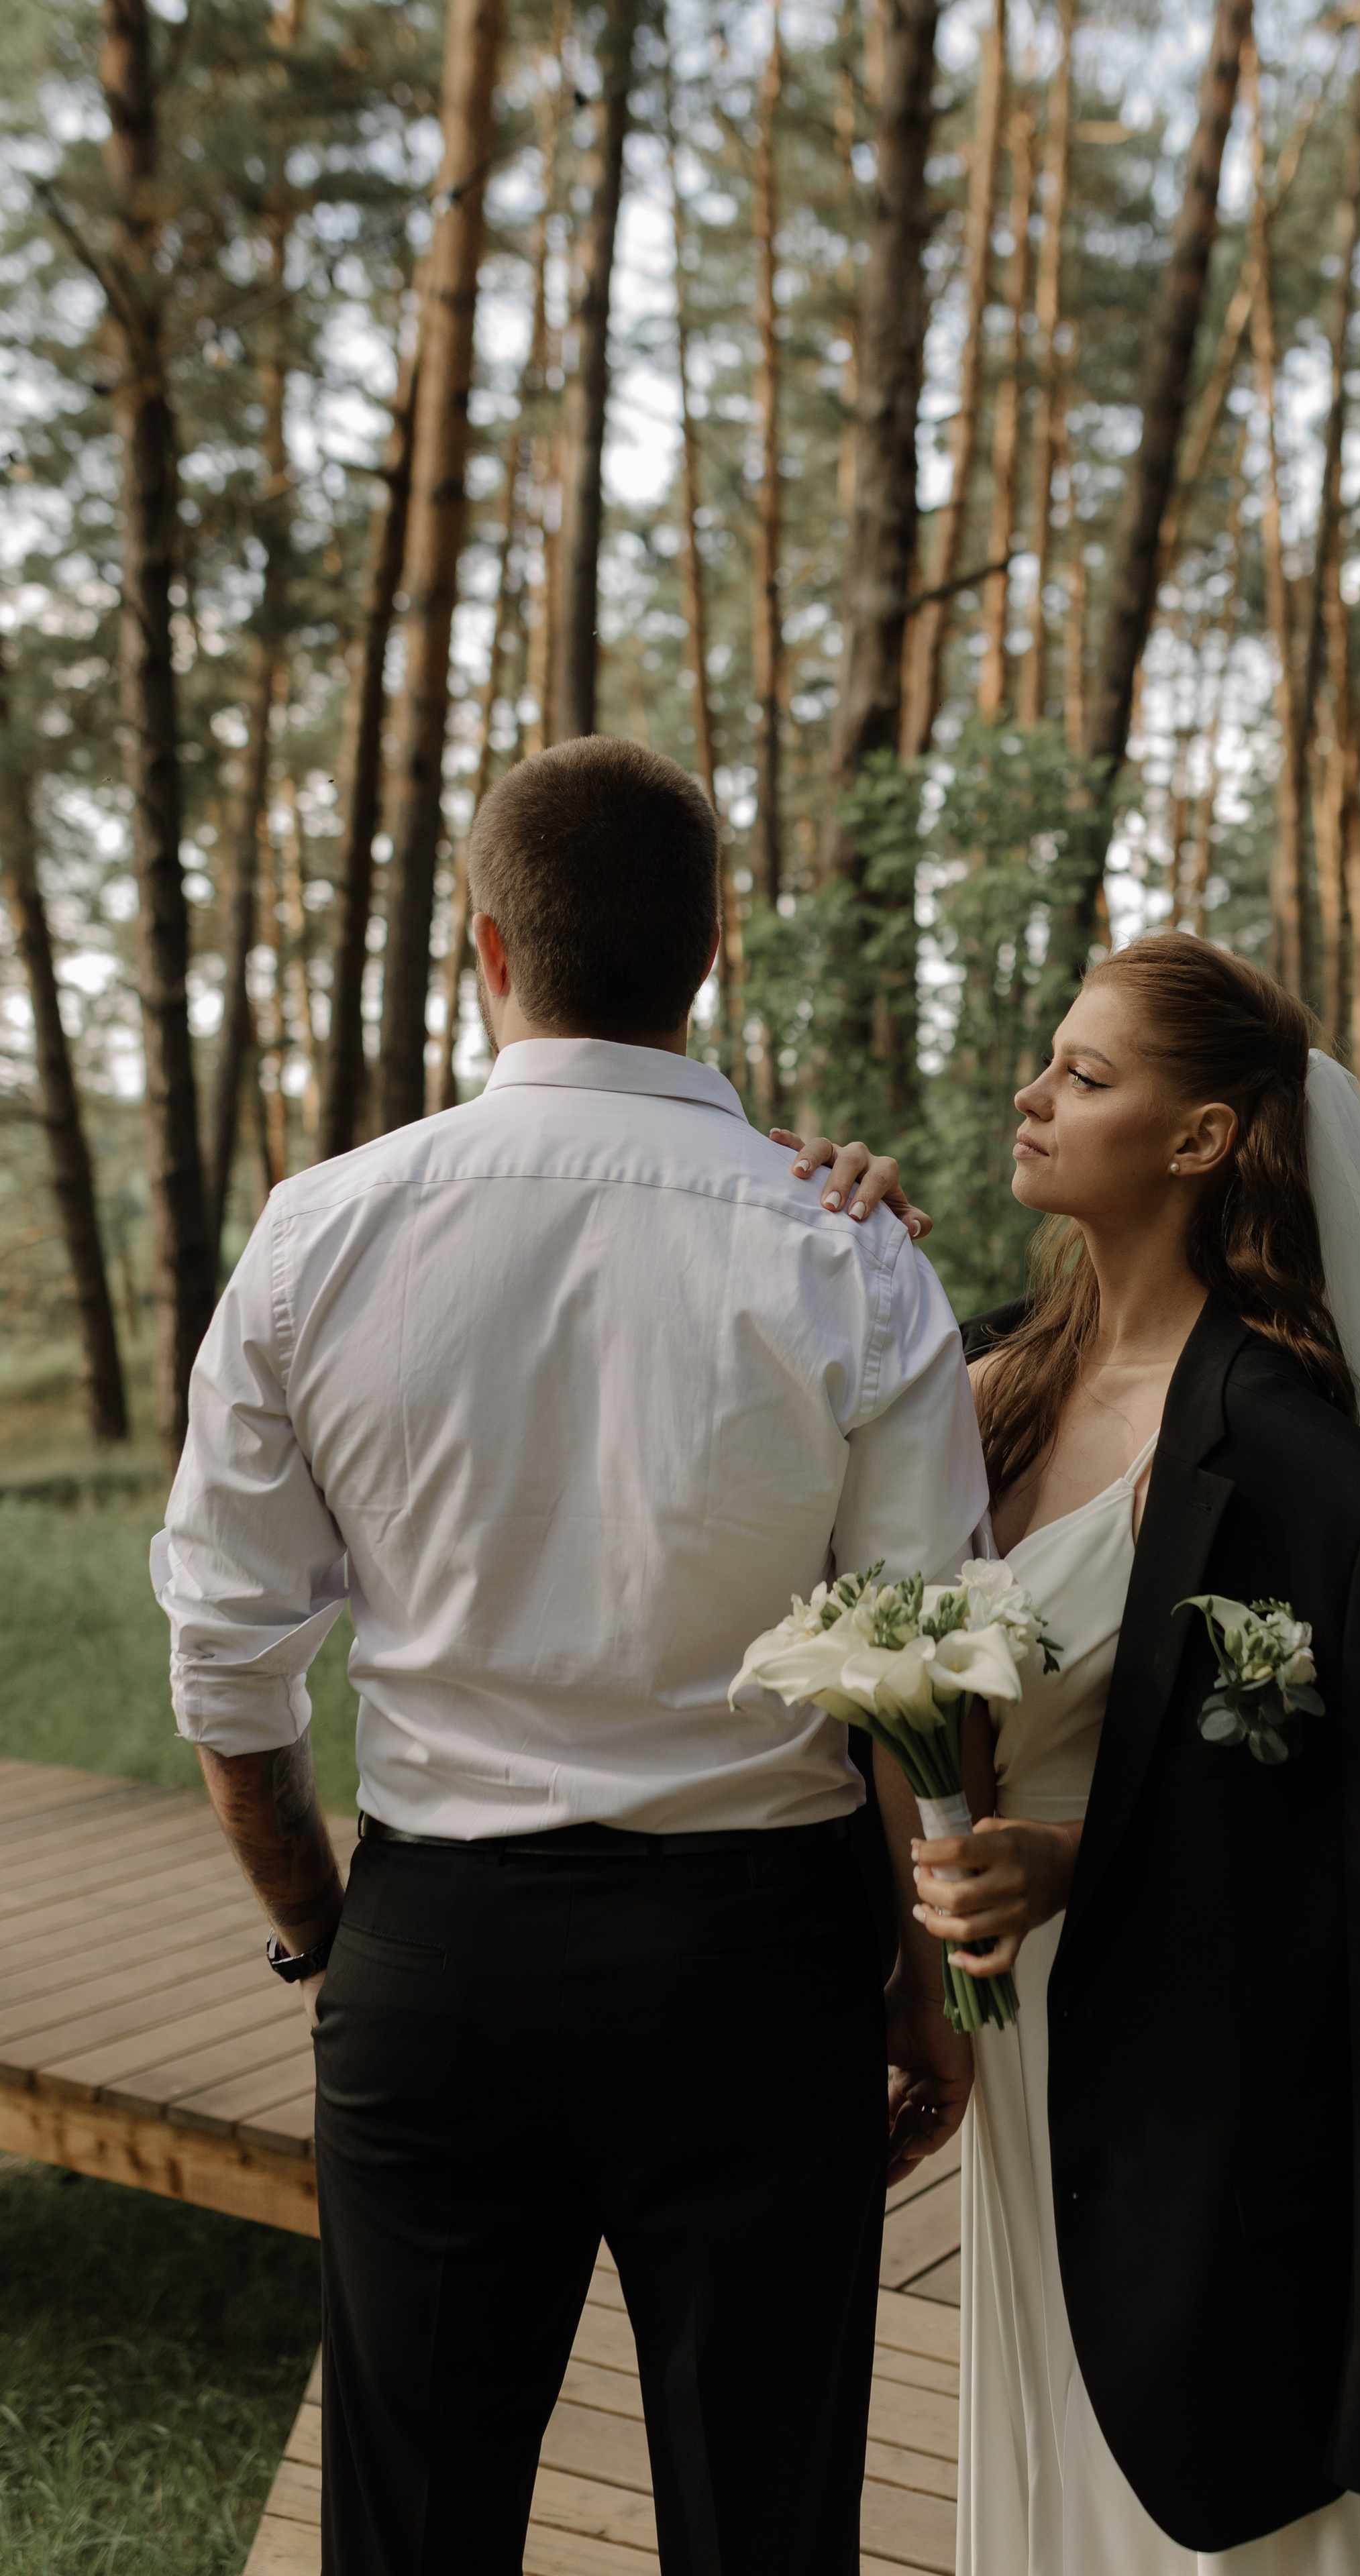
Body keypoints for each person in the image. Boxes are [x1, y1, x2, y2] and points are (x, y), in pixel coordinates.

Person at [151, 736, 988, 2576]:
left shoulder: (319, 1235)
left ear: (484, 949)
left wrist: (326, 1927)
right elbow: (932, 1660)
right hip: (762, 1972)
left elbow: (229, 1663)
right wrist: (929, 1981)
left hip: (441, 1952)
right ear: (714, 946)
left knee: (414, 2531)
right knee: (766, 2521)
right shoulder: (844, 1248)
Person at [779, 932, 1360, 2575]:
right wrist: (808, 1226)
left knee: (1216, 2505)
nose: (1029, 1091)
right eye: (1046, 1059)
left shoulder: (1309, 1483)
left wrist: (1071, 1858)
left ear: (1200, 1139)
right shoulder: (974, 1376)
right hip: (1007, 2050)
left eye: (1084, 1073)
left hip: (1182, 2082)